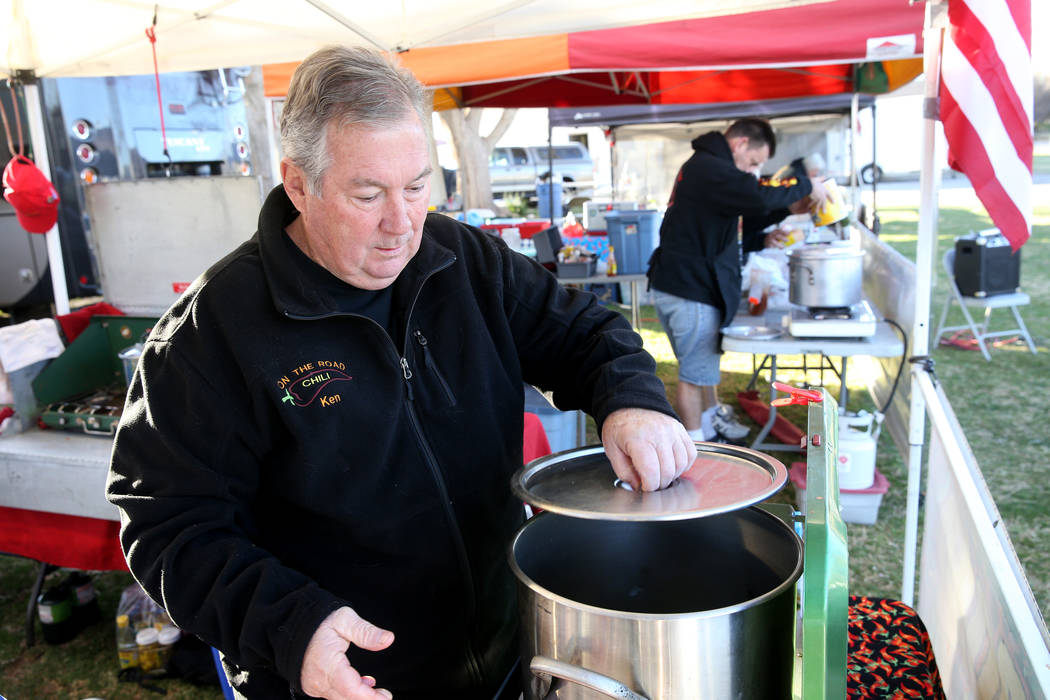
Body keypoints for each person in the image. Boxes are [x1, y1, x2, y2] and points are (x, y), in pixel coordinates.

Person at [106, 46, 695, 700]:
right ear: (299, 184)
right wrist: (290, 626)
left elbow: (587, 331)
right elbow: (168, 523)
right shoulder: (213, 333)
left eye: (417, 186)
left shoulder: (465, 260)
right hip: (347, 680)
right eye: (368, 195)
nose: (401, 224)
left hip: (505, 654)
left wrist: (634, 401)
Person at [646, 118, 825, 443]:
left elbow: (733, 219)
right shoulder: (709, 166)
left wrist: (769, 229)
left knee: (700, 370)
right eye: (754, 161)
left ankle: (711, 431)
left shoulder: (707, 168)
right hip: (691, 289)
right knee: (692, 375)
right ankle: (697, 450)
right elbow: (755, 197)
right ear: (740, 144)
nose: (752, 170)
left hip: (683, 284)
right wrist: (806, 185)